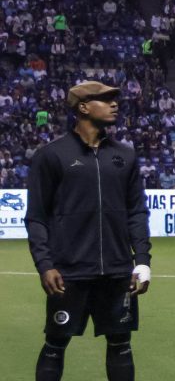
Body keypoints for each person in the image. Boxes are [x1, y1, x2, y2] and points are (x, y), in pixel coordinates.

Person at [26, 81, 152, 381]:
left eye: (114, 99)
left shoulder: (125, 155)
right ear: (83, 107)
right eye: (105, 99)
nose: (114, 104)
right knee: (56, 344)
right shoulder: (51, 155)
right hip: (69, 271)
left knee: (121, 344)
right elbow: (37, 217)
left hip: (118, 270)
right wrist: (45, 264)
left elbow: (136, 212)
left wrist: (142, 260)